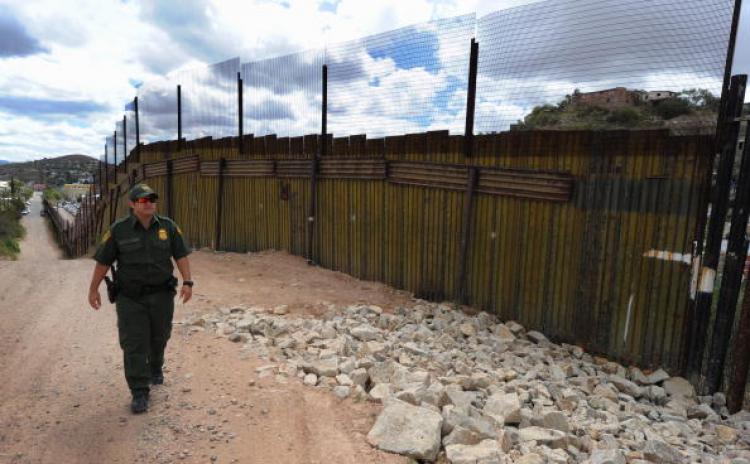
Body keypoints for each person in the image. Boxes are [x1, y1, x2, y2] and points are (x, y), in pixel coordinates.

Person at [87, 183, 192, 414]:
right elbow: (103, 261)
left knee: (160, 336)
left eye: (152, 199)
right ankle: (139, 392)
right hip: (130, 298)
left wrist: (187, 282)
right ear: (133, 204)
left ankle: (155, 367)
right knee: (134, 343)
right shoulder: (119, 230)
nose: (149, 203)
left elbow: (180, 255)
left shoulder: (168, 226)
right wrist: (93, 289)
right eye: (144, 200)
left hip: (162, 295)